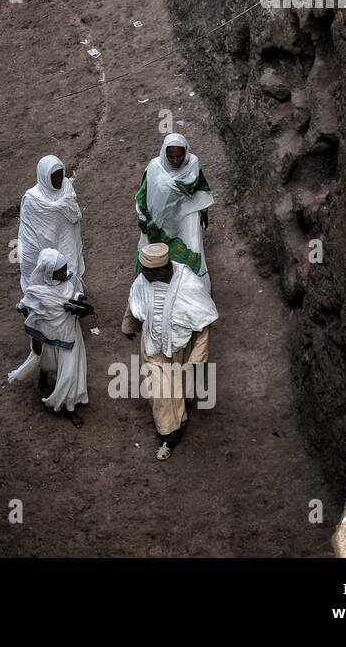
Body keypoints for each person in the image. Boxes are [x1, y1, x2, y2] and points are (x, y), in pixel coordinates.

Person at [121, 242, 218, 460]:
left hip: (179, 347)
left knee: (178, 384)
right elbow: (133, 302)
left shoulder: (188, 285)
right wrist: (128, 326)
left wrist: (197, 357)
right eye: (142, 270)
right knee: (159, 391)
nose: (142, 274)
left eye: (147, 271)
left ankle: (180, 415)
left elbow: (203, 325)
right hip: (151, 346)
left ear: (162, 270)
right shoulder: (143, 280)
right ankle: (169, 434)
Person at [7, 247, 89, 427]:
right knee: (47, 359)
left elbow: (76, 292)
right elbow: (31, 317)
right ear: (49, 272)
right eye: (59, 271)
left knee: (69, 373)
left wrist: (80, 303)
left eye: (65, 268)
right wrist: (35, 341)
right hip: (46, 335)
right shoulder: (36, 292)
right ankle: (43, 375)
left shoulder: (70, 278)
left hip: (69, 332)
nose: (65, 273)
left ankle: (69, 406)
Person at [135, 133, 213, 286]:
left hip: (187, 215)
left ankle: (191, 286)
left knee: (191, 247)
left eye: (179, 156)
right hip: (160, 219)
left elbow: (201, 188)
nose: (176, 160)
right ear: (165, 153)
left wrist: (204, 211)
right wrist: (142, 217)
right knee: (159, 251)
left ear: (186, 152)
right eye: (171, 157)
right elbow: (143, 193)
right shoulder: (154, 167)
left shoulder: (193, 164)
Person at [19, 155, 85, 294]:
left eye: (60, 176)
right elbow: (28, 232)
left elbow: (73, 215)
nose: (59, 181)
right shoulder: (32, 199)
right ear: (44, 177)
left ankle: (71, 297)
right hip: (42, 243)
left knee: (69, 266)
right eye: (54, 178)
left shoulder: (66, 186)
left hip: (66, 238)